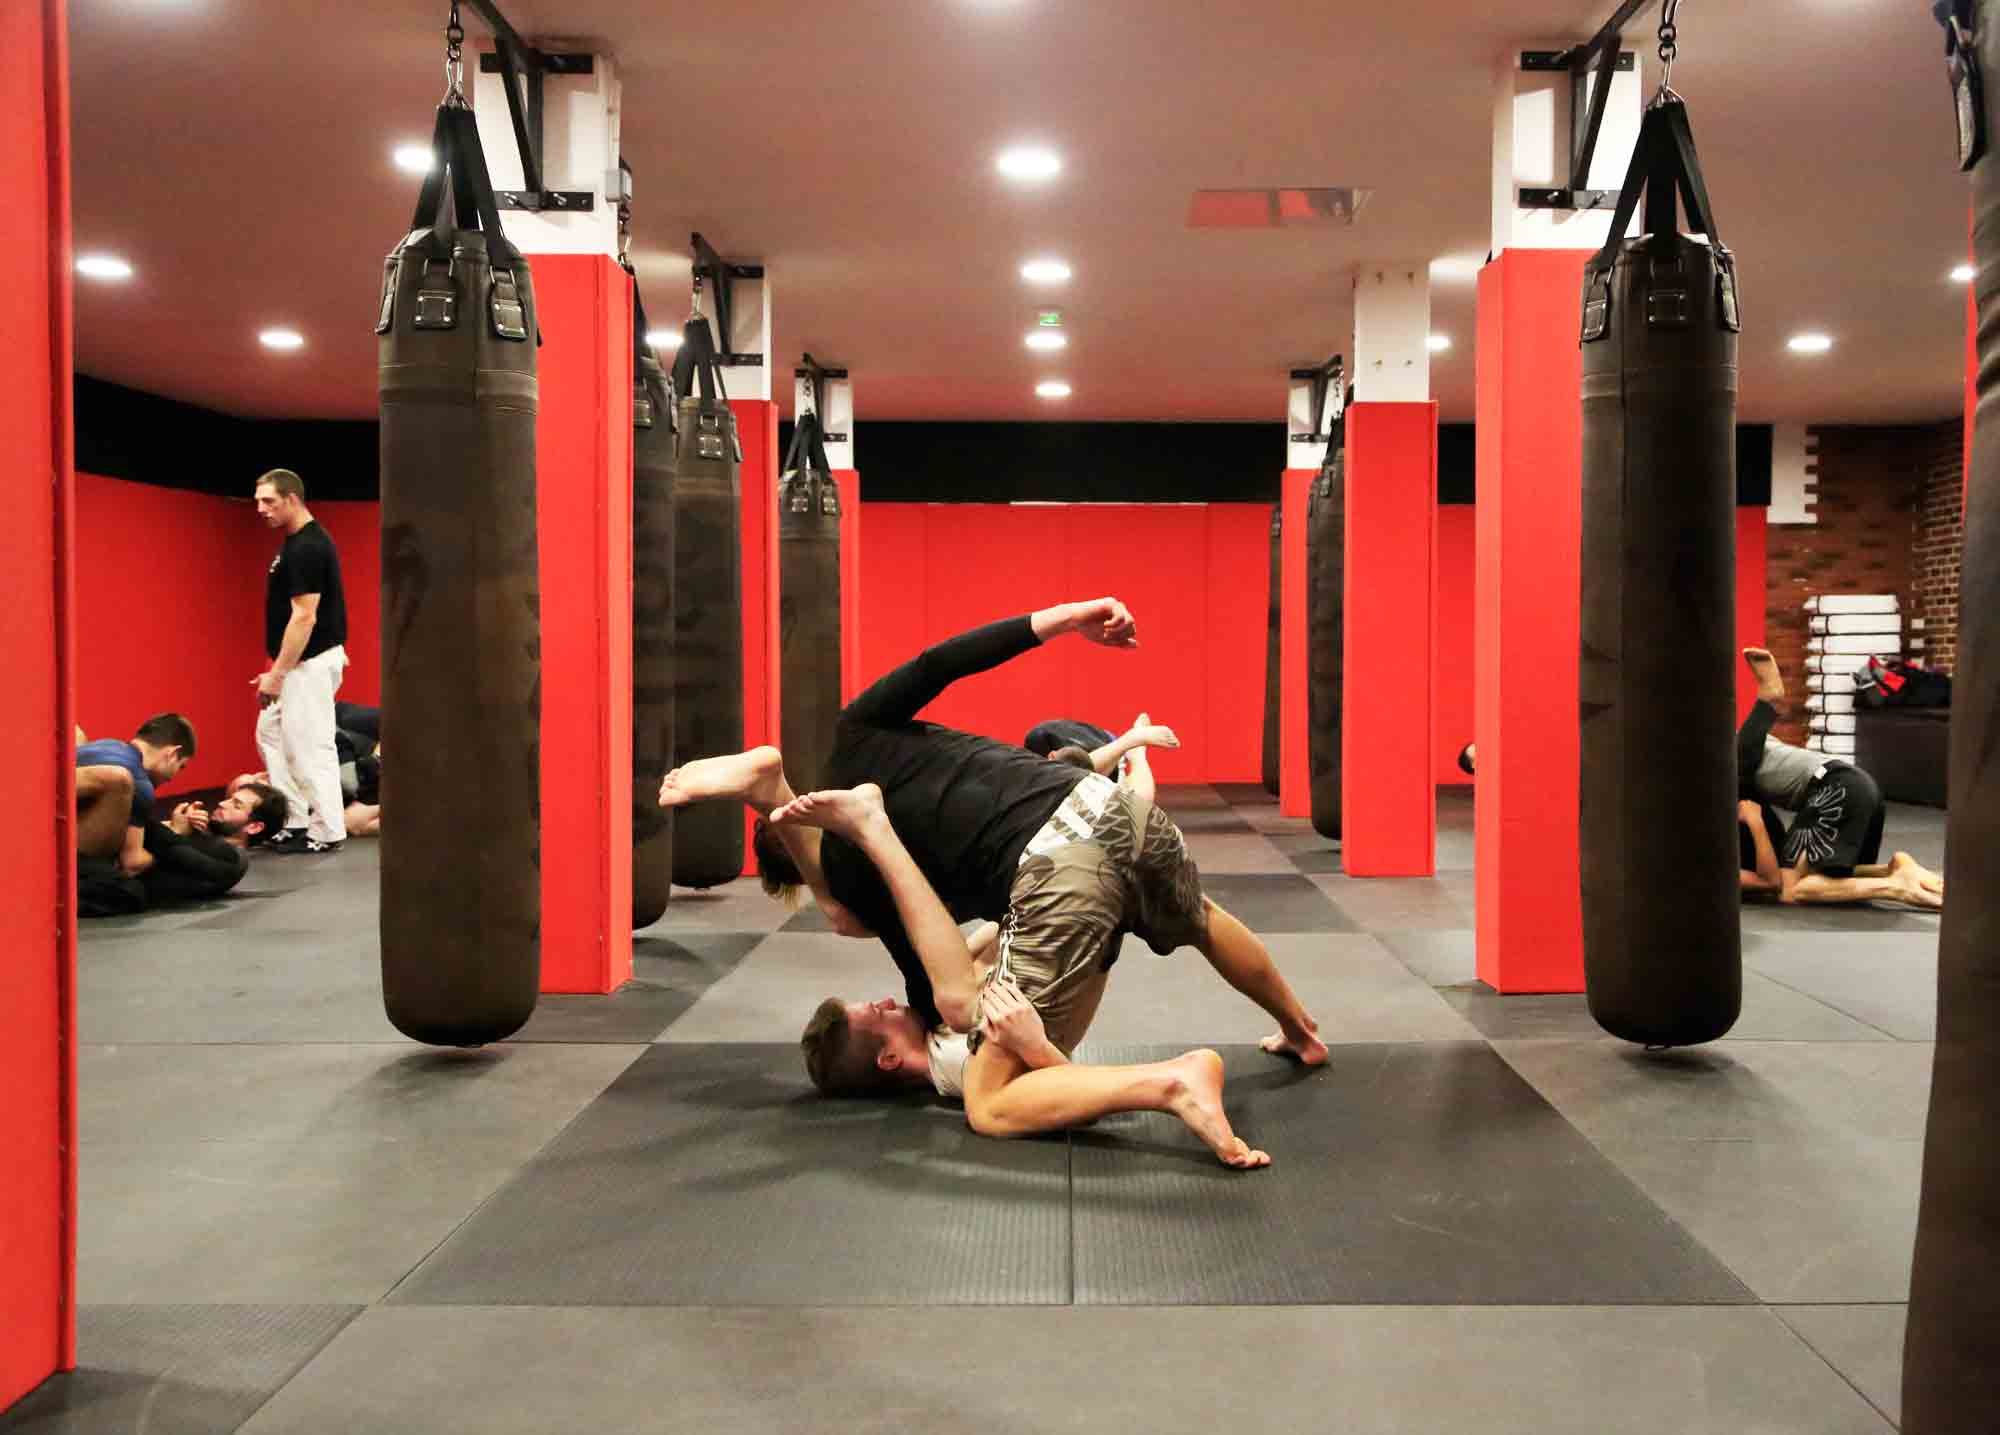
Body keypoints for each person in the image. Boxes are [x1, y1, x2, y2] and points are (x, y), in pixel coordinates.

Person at [659, 599, 1327, 1165]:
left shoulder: (866, 884)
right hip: (1116, 809)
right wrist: (1069, 617)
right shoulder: (857, 729)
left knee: (989, 1100)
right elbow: (946, 660)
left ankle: (1175, 1082)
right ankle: (1301, 1028)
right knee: (1200, 919)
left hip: (1060, 865)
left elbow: (937, 987)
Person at [1736, 647, 1943, 909]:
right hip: (1853, 784)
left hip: (1835, 788)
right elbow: (1770, 835)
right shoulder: (1740, 774)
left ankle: (1896, 887)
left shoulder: (1731, 759)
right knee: (1818, 877)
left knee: (1792, 889)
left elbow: (1773, 882)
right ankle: (1893, 869)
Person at [253, 468, 350, 853]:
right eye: (257, 500)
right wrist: (274, 668)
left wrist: (276, 674)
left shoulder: (309, 546)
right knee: (271, 732)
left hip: (309, 663)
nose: (260, 509)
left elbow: (305, 616)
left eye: (269, 501)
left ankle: (327, 830)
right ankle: (293, 819)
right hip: (295, 663)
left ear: (292, 499)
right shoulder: (293, 543)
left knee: (311, 747)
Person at [75, 713, 196, 877]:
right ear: (174, 753)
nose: (172, 777)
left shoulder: (108, 744)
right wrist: (175, 840)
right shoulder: (140, 784)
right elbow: (132, 864)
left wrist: (171, 825)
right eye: (180, 767)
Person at [137, 782, 289, 906]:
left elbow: (172, 849)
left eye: (236, 805)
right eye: (229, 799)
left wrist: (177, 829)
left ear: (254, 827)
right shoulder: (208, 839)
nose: (222, 803)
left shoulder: (232, 857)